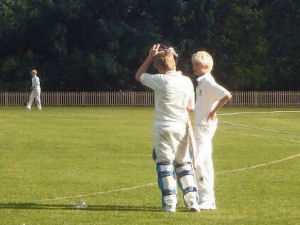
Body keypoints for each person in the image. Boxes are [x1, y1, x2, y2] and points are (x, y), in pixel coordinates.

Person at [135, 44, 199, 213]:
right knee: (184, 164)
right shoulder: (186, 81)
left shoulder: (160, 80)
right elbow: (191, 108)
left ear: (158, 67)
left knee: (165, 165)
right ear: (174, 61)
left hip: (163, 127)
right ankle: (192, 201)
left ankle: (170, 203)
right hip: (181, 127)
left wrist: (150, 56)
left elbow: (139, 75)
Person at [191, 51, 232, 210]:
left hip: (204, 127)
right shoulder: (202, 82)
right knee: (205, 162)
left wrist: (213, 111)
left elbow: (226, 95)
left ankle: (206, 198)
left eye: (197, 64)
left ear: (206, 66)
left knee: (198, 161)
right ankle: (208, 198)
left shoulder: (207, 81)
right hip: (201, 125)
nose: (193, 67)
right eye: (193, 64)